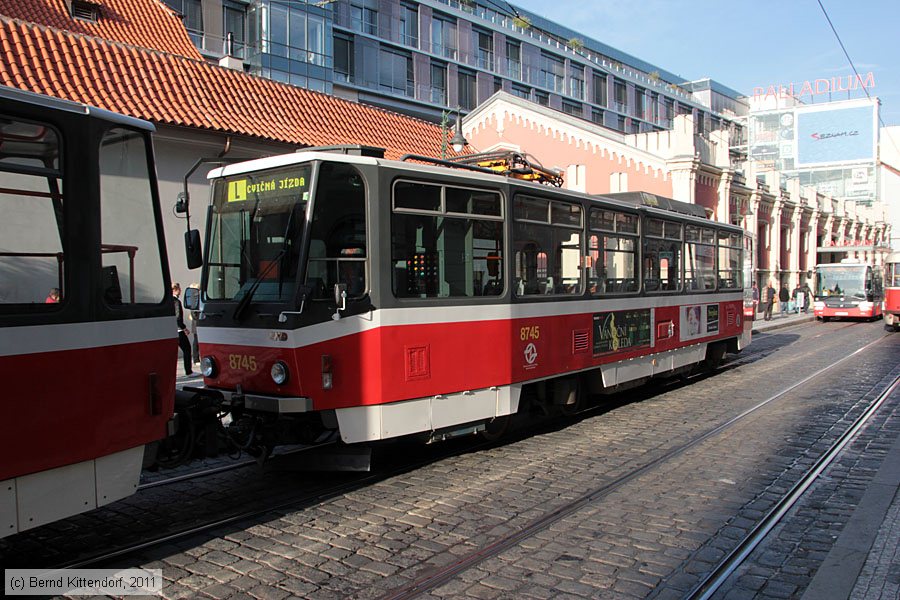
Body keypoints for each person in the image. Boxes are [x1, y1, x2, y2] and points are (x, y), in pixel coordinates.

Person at [172, 283, 193, 376]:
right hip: (178, 330)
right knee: (187, 349)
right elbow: (178, 317)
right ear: (175, 290)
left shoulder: (168, 301)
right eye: (179, 288)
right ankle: (188, 371)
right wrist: (184, 328)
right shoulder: (176, 302)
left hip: (171, 330)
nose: (180, 290)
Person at [188, 283, 201, 365]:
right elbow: (194, 313)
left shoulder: (195, 298)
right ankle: (196, 358)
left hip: (197, 323)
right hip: (197, 323)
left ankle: (197, 358)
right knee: (196, 341)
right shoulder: (194, 299)